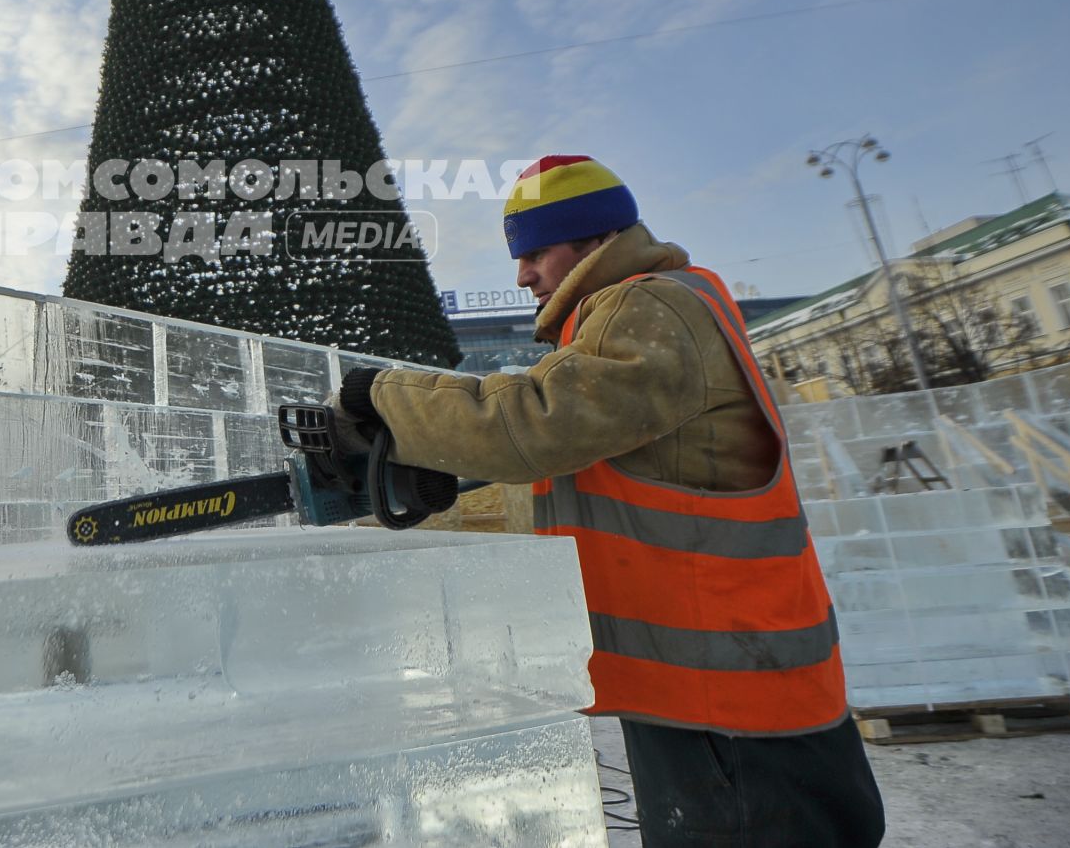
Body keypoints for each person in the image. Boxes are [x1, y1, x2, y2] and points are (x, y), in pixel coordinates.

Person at [326, 155, 884, 847]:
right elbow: (594, 484)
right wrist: (445, 477)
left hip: (731, 704)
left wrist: (378, 396)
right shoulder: (643, 317)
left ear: (593, 241)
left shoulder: (651, 304)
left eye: (535, 251)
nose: (523, 273)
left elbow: (538, 421)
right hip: (719, 689)